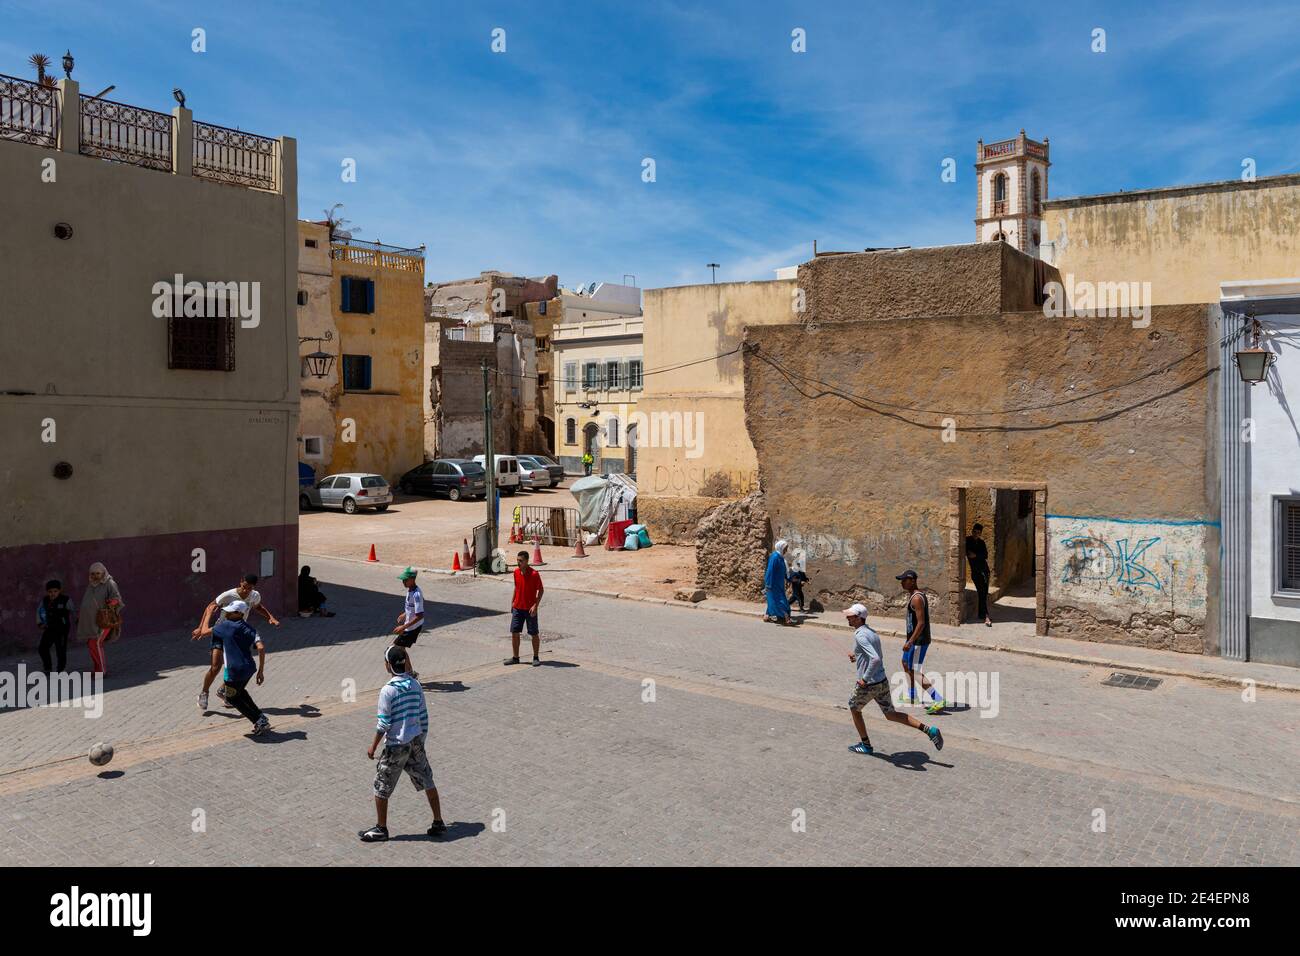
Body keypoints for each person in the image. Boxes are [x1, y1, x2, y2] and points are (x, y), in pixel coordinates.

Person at [360, 644, 446, 842]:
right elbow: (423, 716)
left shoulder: (387, 691)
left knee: (381, 785)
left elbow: (384, 723)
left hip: (396, 746)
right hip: (415, 741)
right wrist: (421, 740)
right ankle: (438, 821)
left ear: (388, 665)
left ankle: (381, 828)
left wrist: (373, 746)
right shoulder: (416, 685)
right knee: (427, 779)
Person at [843, 603, 943, 756]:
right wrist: (856, 656)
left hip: (869, 684)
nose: (847, 618)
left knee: (854, 708)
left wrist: (864, 679)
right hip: (881, 681)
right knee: (891, 714)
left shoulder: (860, 635)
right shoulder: (871, 632)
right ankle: (930, 731)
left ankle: (866, 745)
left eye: (850, 616)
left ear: (859, 618)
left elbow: (875, 659)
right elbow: (874, 653)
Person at [192, 574, 280, 713]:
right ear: (240, 582)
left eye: (249, 588)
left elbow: (258, 607)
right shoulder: (228, 595)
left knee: (236, 665)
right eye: (244, 587)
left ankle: (223, 691)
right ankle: (204, 693)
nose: (246, 590)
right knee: (216, 667)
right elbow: (210, 607)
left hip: (237, 634)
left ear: (253, 587)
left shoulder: (255, 595)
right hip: (220, 631)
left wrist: (270, 617)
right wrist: (201, 626)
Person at [197, 599, 270, 735]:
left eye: (230, 612)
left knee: (231, 697)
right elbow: (261, 647)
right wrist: (261, 671)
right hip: (249, 669)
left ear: (239, 613)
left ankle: (258, 721)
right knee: (241, 692)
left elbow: (205, 631)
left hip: (234, 671)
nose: (227, 614)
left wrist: (208, 614)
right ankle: (260, 716)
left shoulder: (224, 627)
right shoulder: (250, 628)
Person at [898, 570, 946, 714]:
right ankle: (912, 696)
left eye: (904, 580)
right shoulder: (913, 596)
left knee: (915, 671)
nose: (901, 582)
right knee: (905, 663)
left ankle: (937, 699)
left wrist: (910, 641)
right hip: (913, 640)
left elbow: (921, 623)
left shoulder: (917, 598)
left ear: (912, 580)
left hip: (918, 641)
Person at [77, 562, 123, 676]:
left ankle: (101, 671)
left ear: (103, 572)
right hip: (92, 621)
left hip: (104, 620)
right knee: (92, 644)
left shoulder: (109, 583)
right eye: (93, 573)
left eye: (98, 573)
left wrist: (111, 603)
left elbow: (117, 598)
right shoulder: (91, 585)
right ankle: (97, 669)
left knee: (95, 643)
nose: (95, 576)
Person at [505, 550, 544, 666]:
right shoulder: (516, 572)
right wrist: (512, 602)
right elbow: (516, 587)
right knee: (514, 632)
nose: (518, 563)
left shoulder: (534, 574)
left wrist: (535, 605)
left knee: (533, 633)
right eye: (517, 560)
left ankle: (536, 657)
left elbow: (541, 590)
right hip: (517, 607)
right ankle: (515, 657)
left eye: (520, 561)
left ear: (527, 561)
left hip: (530, 609)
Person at [36, 579, 75, 673]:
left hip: (62, 629)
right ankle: (48, 668)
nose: (52, 594)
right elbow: (39, 611)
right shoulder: (45, 600)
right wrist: (40, 623)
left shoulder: (66, 600)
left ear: (60, 591)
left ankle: (60, 670)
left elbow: (74, 612)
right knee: (42, 648)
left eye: (55, 591)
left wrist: (78, 621)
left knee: (60, 650)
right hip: (49, 628)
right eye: (50, 592)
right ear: (47, 592)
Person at [392, 567, 425, 678]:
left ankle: (409, 673)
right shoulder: (410, 590)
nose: (403, 582)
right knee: (400, 648)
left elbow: (419, 615)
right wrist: (404, 614)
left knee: (397, 647)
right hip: (409, 626)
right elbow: (411, 609)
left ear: (412, 579)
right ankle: (411, 673)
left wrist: (403, 627)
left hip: (413, 628)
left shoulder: (417, 595)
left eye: (405, 579)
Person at [965, 523, 993, 627]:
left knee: (984, 594)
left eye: (978, 533)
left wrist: (976, 555)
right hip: (976, 572)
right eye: (975, 532)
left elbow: (985, 555)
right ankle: (986, 616)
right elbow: (967, 553)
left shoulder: (981, 542)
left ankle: (982, 614)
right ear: (972, 531)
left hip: (985, 571)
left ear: (980, 533)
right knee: (981, 592)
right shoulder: (967, 541)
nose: (976, 534)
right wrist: (974, 555)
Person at [763, 540, 794, 626]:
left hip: (779, 584)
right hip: (773, 584)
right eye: (785, 548)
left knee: (772, 600)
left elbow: (783, 571)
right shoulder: (774, 557)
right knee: (780, 601)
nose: (786, 551)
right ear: (781, 547)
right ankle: (786, 617)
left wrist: (788, 579)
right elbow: (770, 571)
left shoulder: (780, 558)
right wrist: (768, 584)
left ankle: (767, 616)